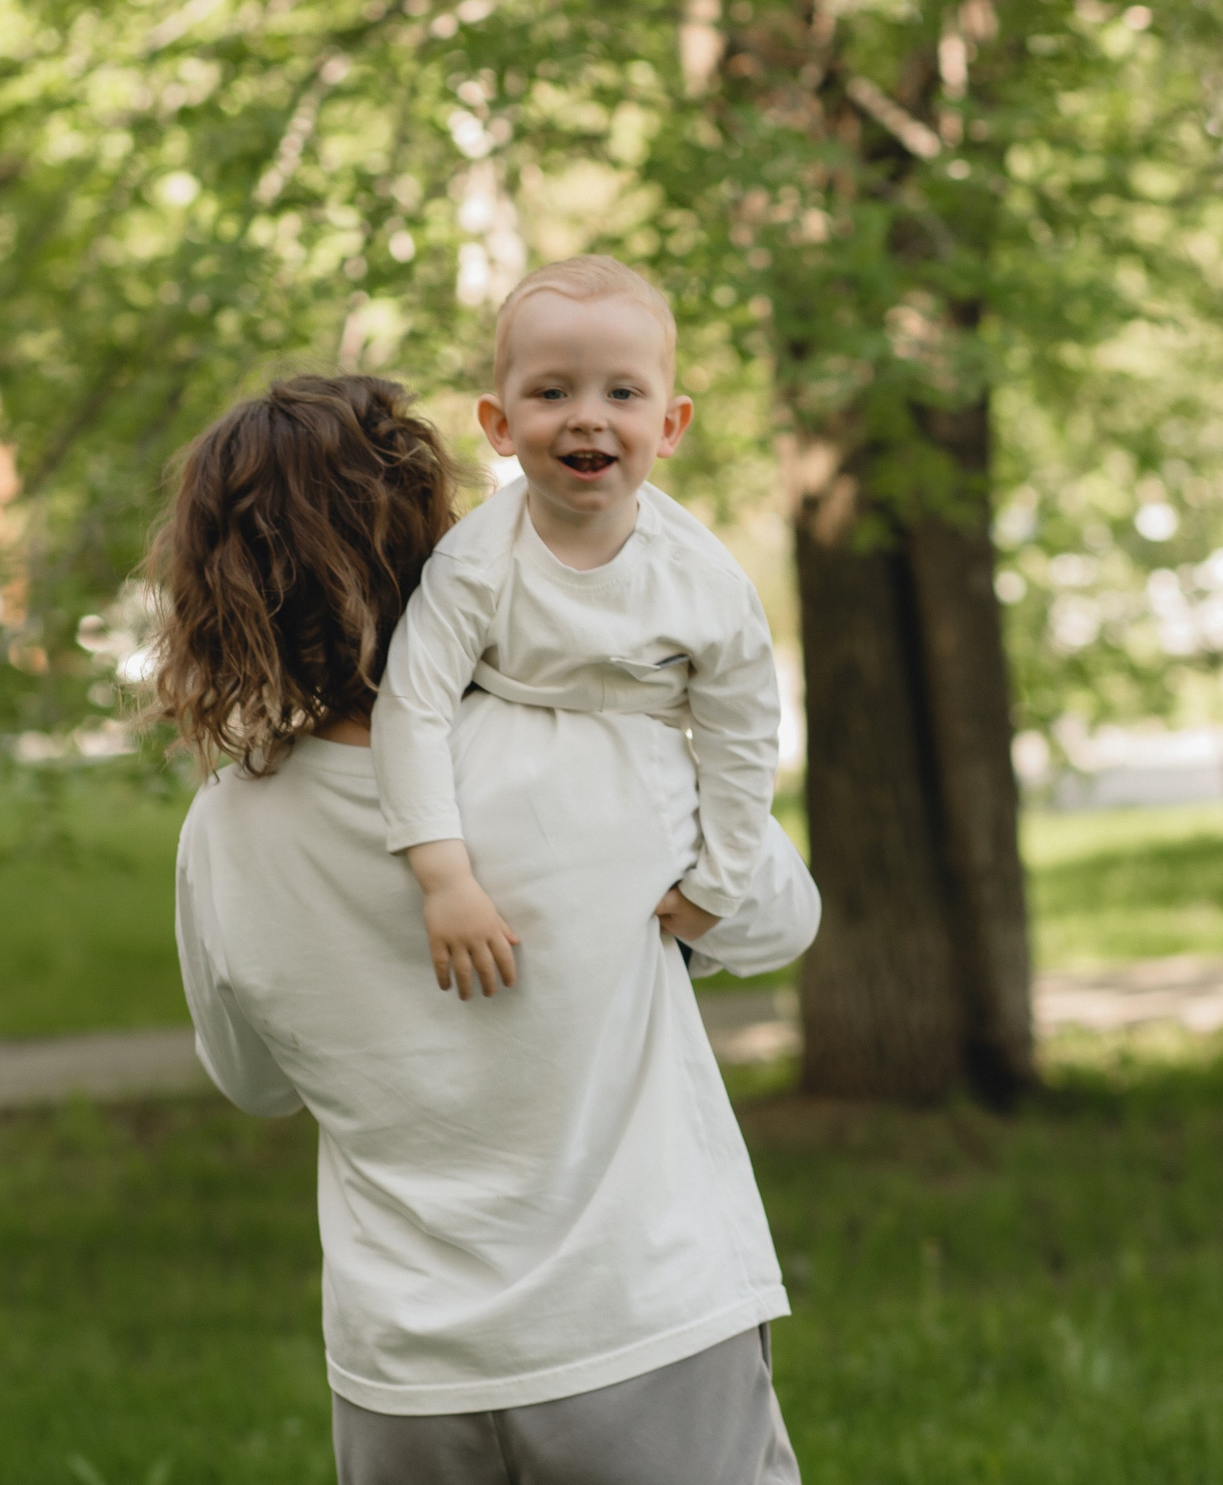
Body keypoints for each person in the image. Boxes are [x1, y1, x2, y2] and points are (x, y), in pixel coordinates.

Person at [153, 374, 817, 1484]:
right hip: (641, 1326)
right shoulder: (593, 743)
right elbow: (779, 922)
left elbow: (256, 1084)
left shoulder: (224, 829)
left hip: (407, 1377)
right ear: (429, 541)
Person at [372, 255, 781, 1001]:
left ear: (669, 426)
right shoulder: (474, 564)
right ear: (499, 425)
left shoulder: (707, 583)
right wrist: (445, 879)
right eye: (552, 391)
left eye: (622, 392)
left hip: (655, 807)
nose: (588, 416)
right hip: (523, 800)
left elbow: (742, 733)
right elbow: (412, 709)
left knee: (781, 917)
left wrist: (716, 886)